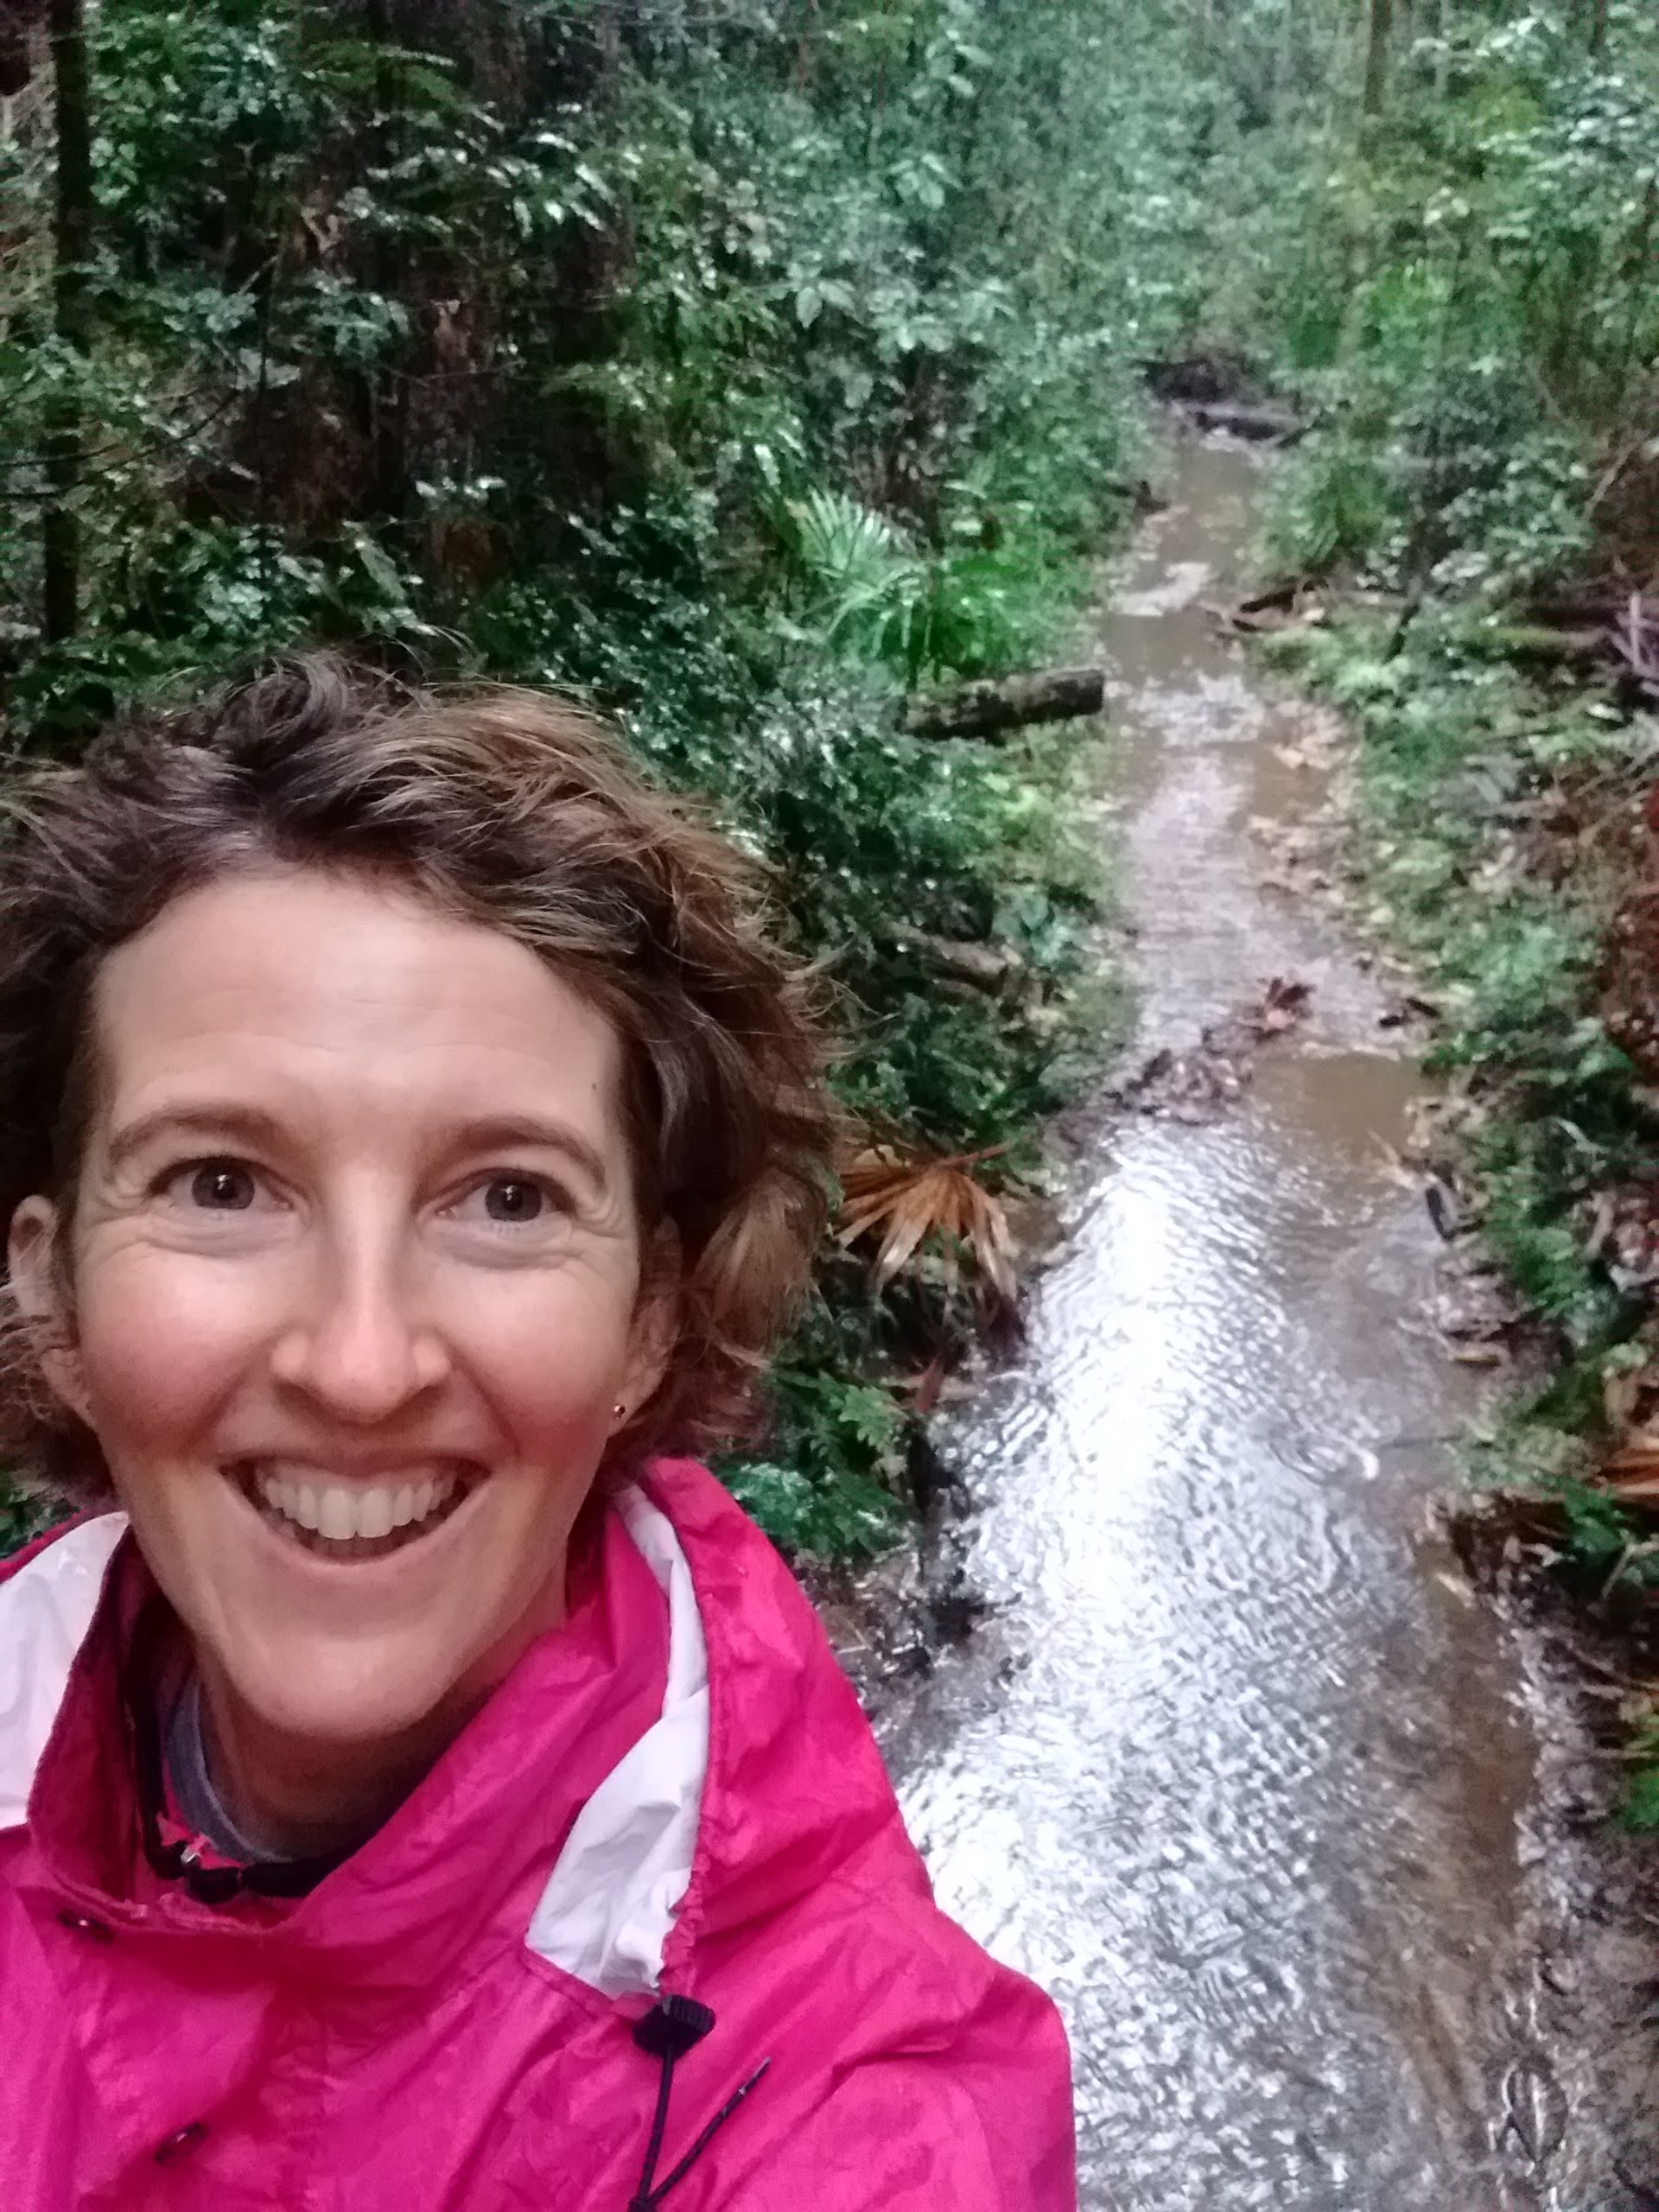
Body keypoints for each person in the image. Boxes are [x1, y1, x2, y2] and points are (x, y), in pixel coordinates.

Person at [0, 659, 1076, 2209]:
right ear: (55, 1291)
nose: (361, 1365)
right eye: (222, 1183)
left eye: (508, 1198)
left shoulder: (845, 2117)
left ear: (651, 1315)